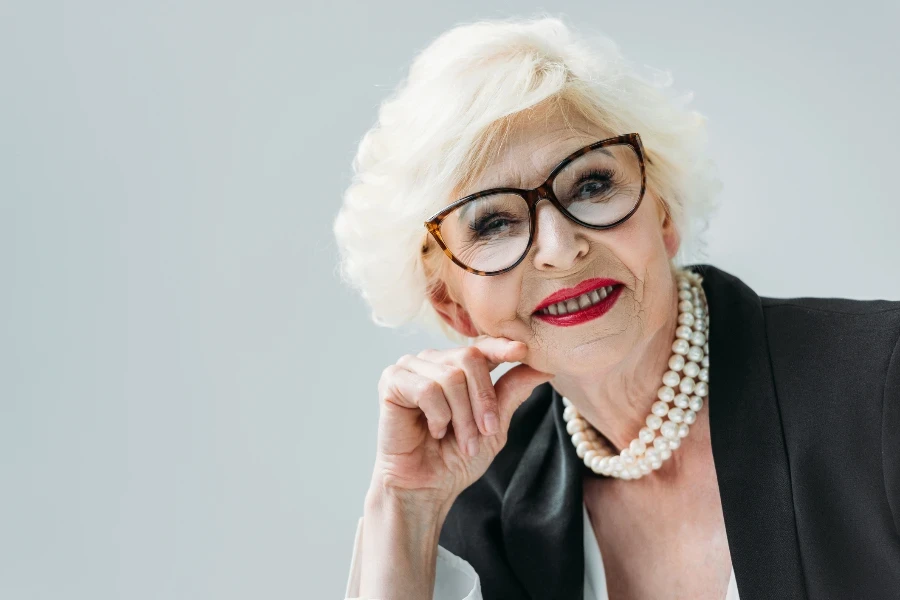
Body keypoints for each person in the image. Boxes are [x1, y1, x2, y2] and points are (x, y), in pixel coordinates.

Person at [332, 16, 900, 600]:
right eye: (495, 222)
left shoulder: (880, 386)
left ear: (663, 212)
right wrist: (403, 506)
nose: (561, 249)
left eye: (591, 185)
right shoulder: (484, 495)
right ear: (453, 306)